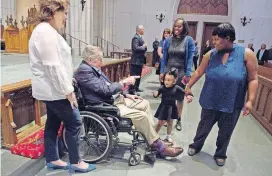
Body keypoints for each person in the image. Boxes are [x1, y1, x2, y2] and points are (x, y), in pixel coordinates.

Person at [74, 45, 184, 158]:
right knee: (141, 116)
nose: (102, 62)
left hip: (113, 99)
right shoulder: (85, 71)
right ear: (91, 59)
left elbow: (107, 86)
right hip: (104, 106)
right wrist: (124, 82)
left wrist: (126, 94)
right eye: (99, 59)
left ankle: (151, 138)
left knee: (144, 104)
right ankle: (159, 146)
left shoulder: (92, 69)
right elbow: (106, 90)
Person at [29, 0, 95, 173]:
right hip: (56, 91)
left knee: (52, 122)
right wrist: (68, 91)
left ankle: (53, 158)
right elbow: (53, 67)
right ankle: (76, 161)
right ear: (53, 12)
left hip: (53, 90)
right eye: (64, 13)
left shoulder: (48, 31)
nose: (66, 17)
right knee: (74, 122)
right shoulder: (45, 32)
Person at [185, 23, 258, 167]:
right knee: (203, 126)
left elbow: (253, 78)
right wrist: (189, 86)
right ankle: (196, 145)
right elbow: (199, 71)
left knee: (226, 131)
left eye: (217, 39)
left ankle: (220, 153)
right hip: (210, 99)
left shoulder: (246, 54)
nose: (214, 42)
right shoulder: (211, 54)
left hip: (232, 102)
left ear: (228, 38)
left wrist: (250, 100)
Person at [160, 18, 195, 131]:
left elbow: (190, 58)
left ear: (184, 27)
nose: (177, 28)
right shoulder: (168, 40)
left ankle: (178, 119)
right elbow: (164, 57)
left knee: (179, 97)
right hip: (169, 71)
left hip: (181, 71)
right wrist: (162, 71)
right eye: (175, 26)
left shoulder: (188, 40)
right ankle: (168, 118)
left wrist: (188, 73)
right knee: (167, 96)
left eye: (179, 26)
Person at [153, 68, 186, 145]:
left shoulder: (176, 88)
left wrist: (188, 95)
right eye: (165, 80)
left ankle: (168, 136)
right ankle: (154, 135)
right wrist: (155, 94)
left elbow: (184, 91)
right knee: (160, 122)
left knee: (170, 122)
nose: (166, 82)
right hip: (163, 107)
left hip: (172, 107)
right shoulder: (162, 88)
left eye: (168, 80)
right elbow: (156, 94)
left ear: (174, 81)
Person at [129, 25, 147, 95]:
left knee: (138, 75)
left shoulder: (140, 37)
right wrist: (143, 46)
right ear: (139, 30)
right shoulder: (135, 38)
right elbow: (135, 48)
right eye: (143, 29)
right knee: (134, 76)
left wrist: (144, 47)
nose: (144, 30)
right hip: (135, 61)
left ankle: (136, 88)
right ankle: (132, 90)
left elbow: (145, 49)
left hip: (139, 60)